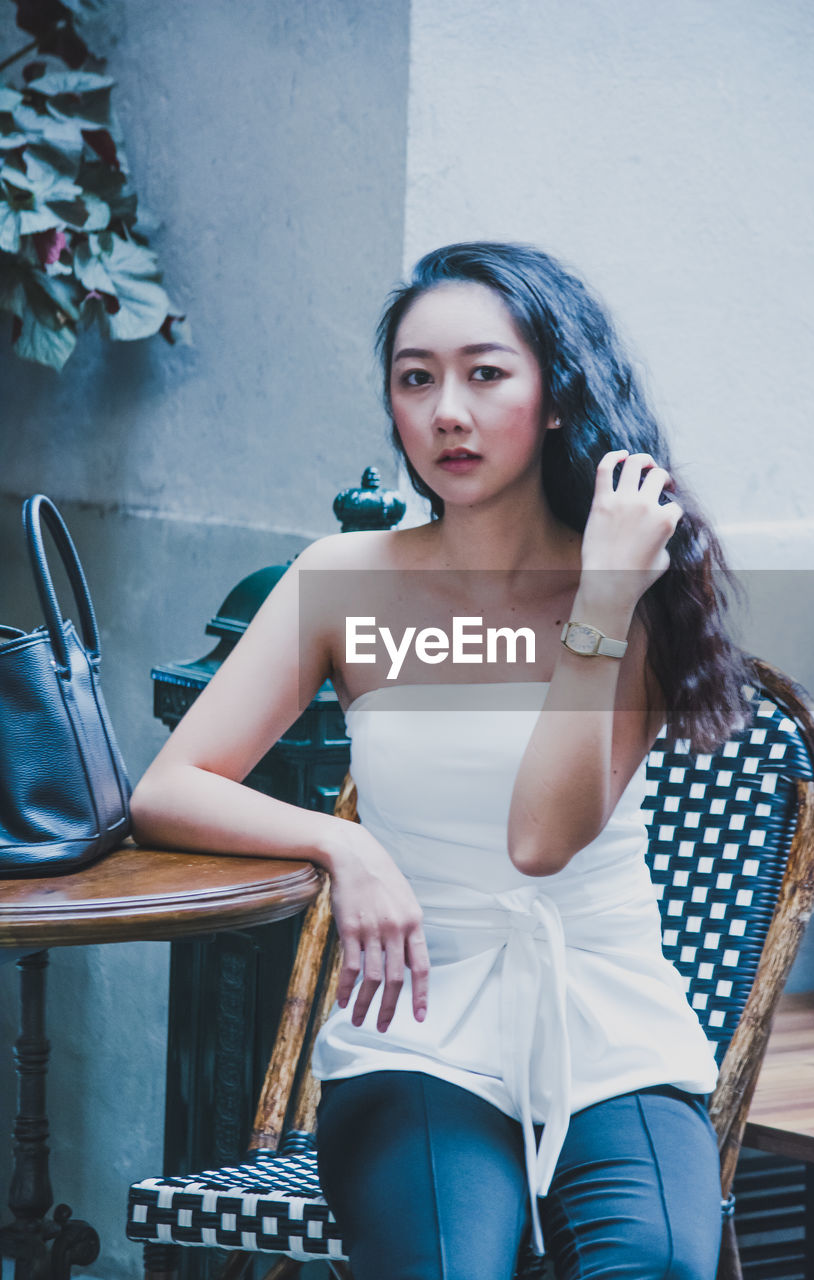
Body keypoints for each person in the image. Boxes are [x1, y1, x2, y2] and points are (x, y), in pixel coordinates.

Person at [131, 242, 750, 1280]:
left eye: (485, 372)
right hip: (413, 1027)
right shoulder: (340, 580)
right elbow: (167, 789)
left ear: (558, 394)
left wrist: (599, 602)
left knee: (654, 1263)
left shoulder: (635, 581)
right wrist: (343, 842)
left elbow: (539, 840)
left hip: (608, 1023)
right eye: (415, 378)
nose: (446, 411)